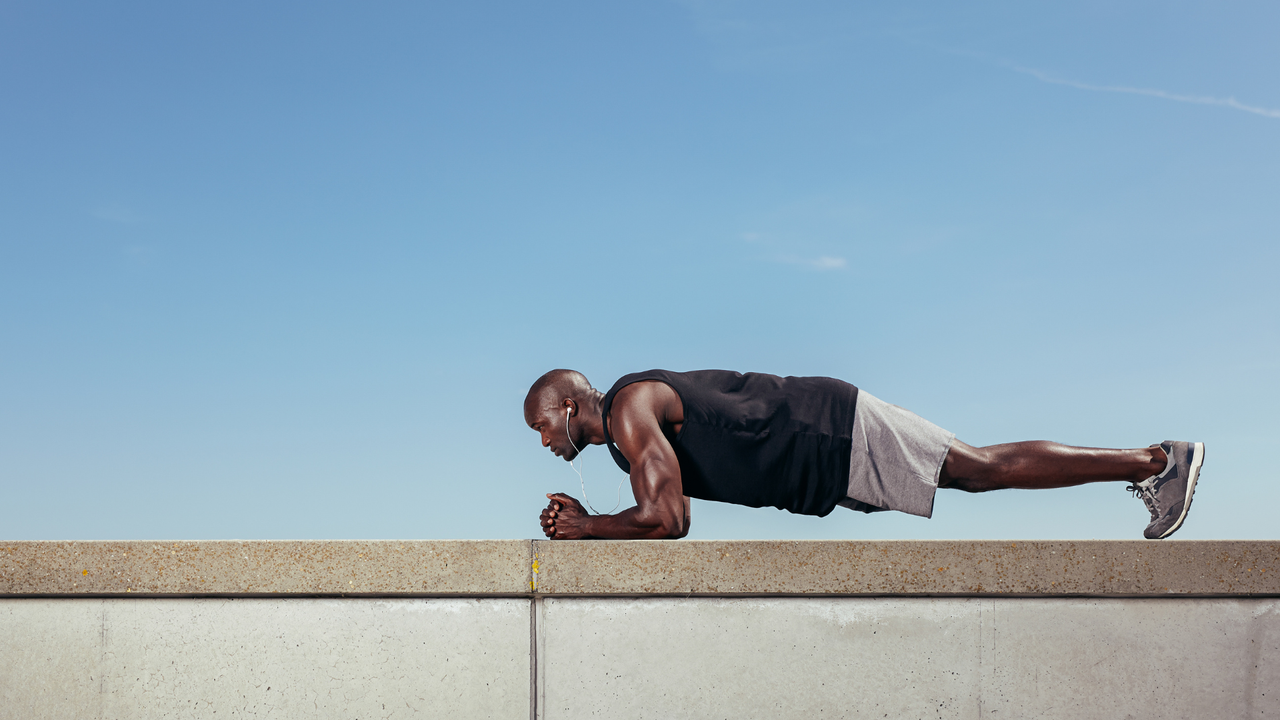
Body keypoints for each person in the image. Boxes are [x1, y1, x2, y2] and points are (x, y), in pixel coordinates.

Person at [525, 368, 1204, 541]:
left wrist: (588, 527)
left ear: (565, 406)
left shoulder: (628, 408)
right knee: (972, 476)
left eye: (541, 427)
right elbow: (658, 506)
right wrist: (597, 521)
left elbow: (668, 518)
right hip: (817, 459)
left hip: (824, 428)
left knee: (977, 469)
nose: (545, 443)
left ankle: (1156, 461)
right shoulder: (623, 440)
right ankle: (1152, 463)